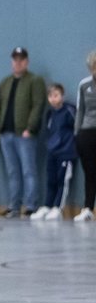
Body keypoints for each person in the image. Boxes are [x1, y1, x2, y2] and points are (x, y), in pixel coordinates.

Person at [0, 46, 47, 217]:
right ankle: (14, 206)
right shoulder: (5, 82)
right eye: (15, 59)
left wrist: (30, 128)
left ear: (26, 61)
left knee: (28, 170)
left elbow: (38, 104)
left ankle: (31, 205)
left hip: (24, 134)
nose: (18, 63)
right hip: (6, 134)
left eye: (21, 59)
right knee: (12, 172)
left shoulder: (35, 80)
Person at [33, 83, 77, 220]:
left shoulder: (70, 110)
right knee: (50, 180)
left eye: (56, 95)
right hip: (52, 152)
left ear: (62, 96)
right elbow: (48, 131)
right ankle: (47, 206)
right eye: (50, 96)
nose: (53, 99)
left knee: (61, 181)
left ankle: (58, 208)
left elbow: (76, 127)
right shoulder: (50, 114)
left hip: (66, 152)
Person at [72, 51, 96, 221]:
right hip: (87, 132)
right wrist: (77, 133)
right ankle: (88, 207)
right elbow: (80, 110)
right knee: (90, 172)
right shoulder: (84, 85)